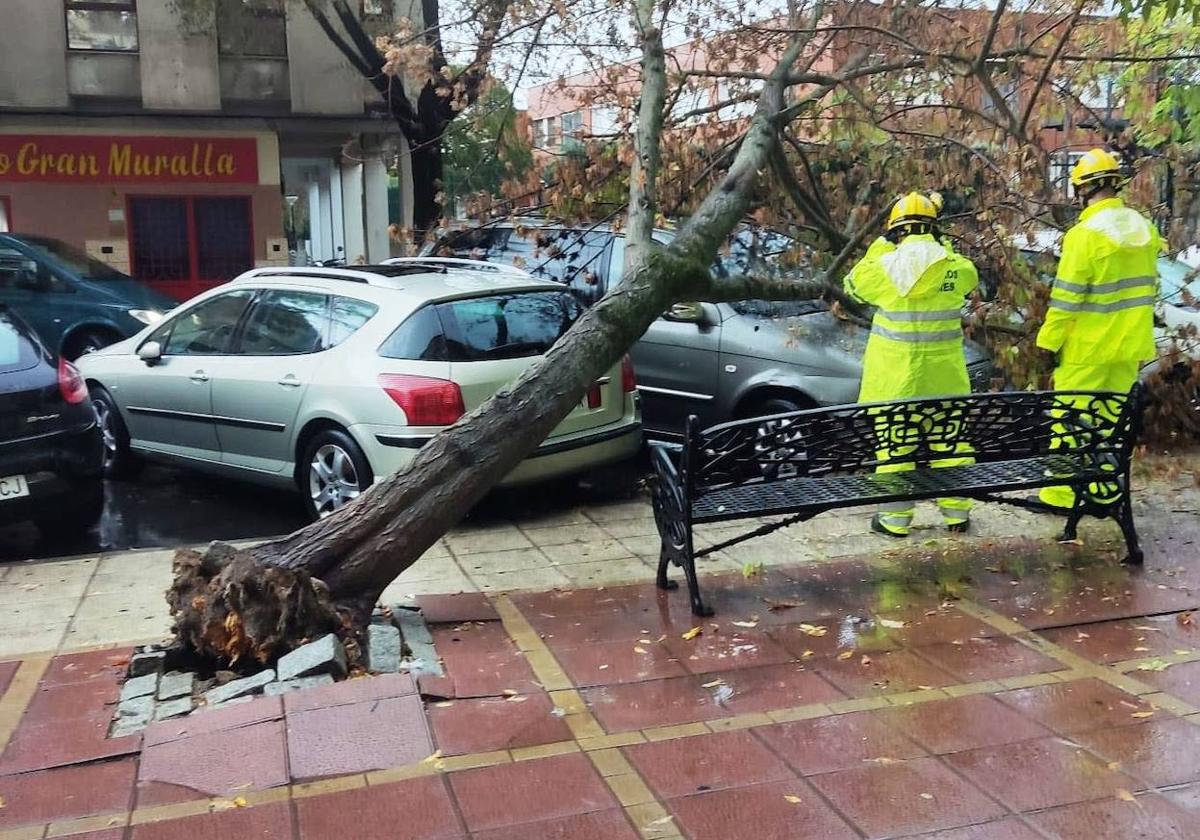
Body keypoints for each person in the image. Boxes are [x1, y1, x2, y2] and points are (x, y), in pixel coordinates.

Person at [844, 191, 980, 537]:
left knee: (894, 450)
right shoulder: (955, 268)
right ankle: (957, 515)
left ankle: (894, 521)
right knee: (951, 446)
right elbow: (970, 277)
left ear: (896, 231)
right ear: (934, 230)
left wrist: (880, 246)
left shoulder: (883, 269)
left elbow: (853, 284)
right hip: (944, 381)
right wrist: (943, 244)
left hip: (895, 384)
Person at [1035, 148, 1161, 509]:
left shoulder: (1084, 235)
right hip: (1128, 347)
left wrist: (1048, 343)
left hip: (1086, 350)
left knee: (1071, 424)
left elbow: (1066, 300)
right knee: (1109, 426)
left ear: (1082, 190)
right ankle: (1104, 492)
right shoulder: (1146, 230)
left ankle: (1060, 495)